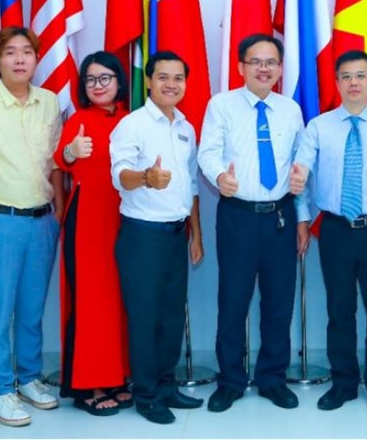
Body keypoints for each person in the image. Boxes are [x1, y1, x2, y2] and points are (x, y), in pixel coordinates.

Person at [294, 50, 367, 418]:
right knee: (339, 309)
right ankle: (343, 382)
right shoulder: (319, 127)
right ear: (336, 82)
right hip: (335, 230)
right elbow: (301, 172)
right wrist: (297, 183)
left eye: (361, 75)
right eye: (345, 76)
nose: (353, 83)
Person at [0, 27, 65, 427]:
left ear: (36, 58)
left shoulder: (49, 102)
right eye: (10, 53)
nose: (19, 59)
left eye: (27, 52)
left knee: (33, 308)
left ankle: (30, 378)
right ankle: (1, 390)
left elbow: (55, 162)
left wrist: (58, 210)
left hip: (42, 220)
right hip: (1, 219)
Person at [198, 34, 309, 413]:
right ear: (241, 67)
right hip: (238, 216)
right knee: (233, 301)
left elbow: (299, 168)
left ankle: (272, 379)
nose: (264, 68)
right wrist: (219, 177)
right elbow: (207, 152)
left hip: (280, 217)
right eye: (256, 61)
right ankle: (230, 380)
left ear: (280, 68)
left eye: (271, 62)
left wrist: (302, 216)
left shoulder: (291, 109)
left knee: (279, 302)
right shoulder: (222, 105)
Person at [110, 51, 205, 425]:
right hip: (143, 237)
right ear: (148, 81)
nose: (171, 84)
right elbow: (120, 176)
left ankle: (166, 386)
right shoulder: (132, 125)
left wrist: (196, 235)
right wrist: (146, 177)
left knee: (171, 315)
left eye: (178, 78)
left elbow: (192, 185)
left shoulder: (185, 127)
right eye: (163, 77)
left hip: (176, 234)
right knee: (145, 317)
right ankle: (146, 394)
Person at [53, 52, 132, 415]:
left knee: (119, 301)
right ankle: (88, 384)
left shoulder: (133, 119)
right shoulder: (79, 120)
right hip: (88, 219)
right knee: (92, 301)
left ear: (119, 81)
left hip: (125, 218)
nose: (98, 86)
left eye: (105, 78)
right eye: (90, 80)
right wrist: (71, 152)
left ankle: (116, 376)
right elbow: (61, 159)